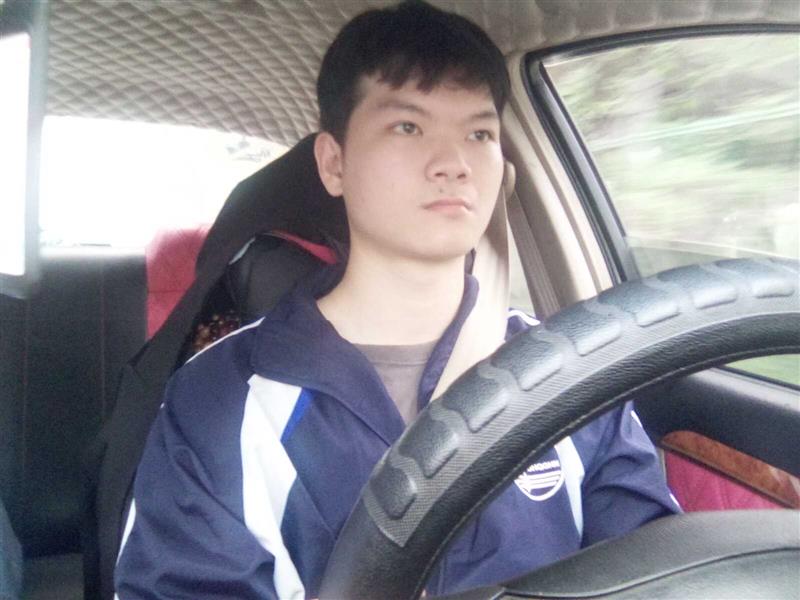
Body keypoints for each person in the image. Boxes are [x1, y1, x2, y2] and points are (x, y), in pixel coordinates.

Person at [114, 1, 679, 598]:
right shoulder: (221, 398)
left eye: (479, 133)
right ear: (334, 163)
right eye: (408, 127)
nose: (453, 164)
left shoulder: (568, 374)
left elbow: (660, 574)